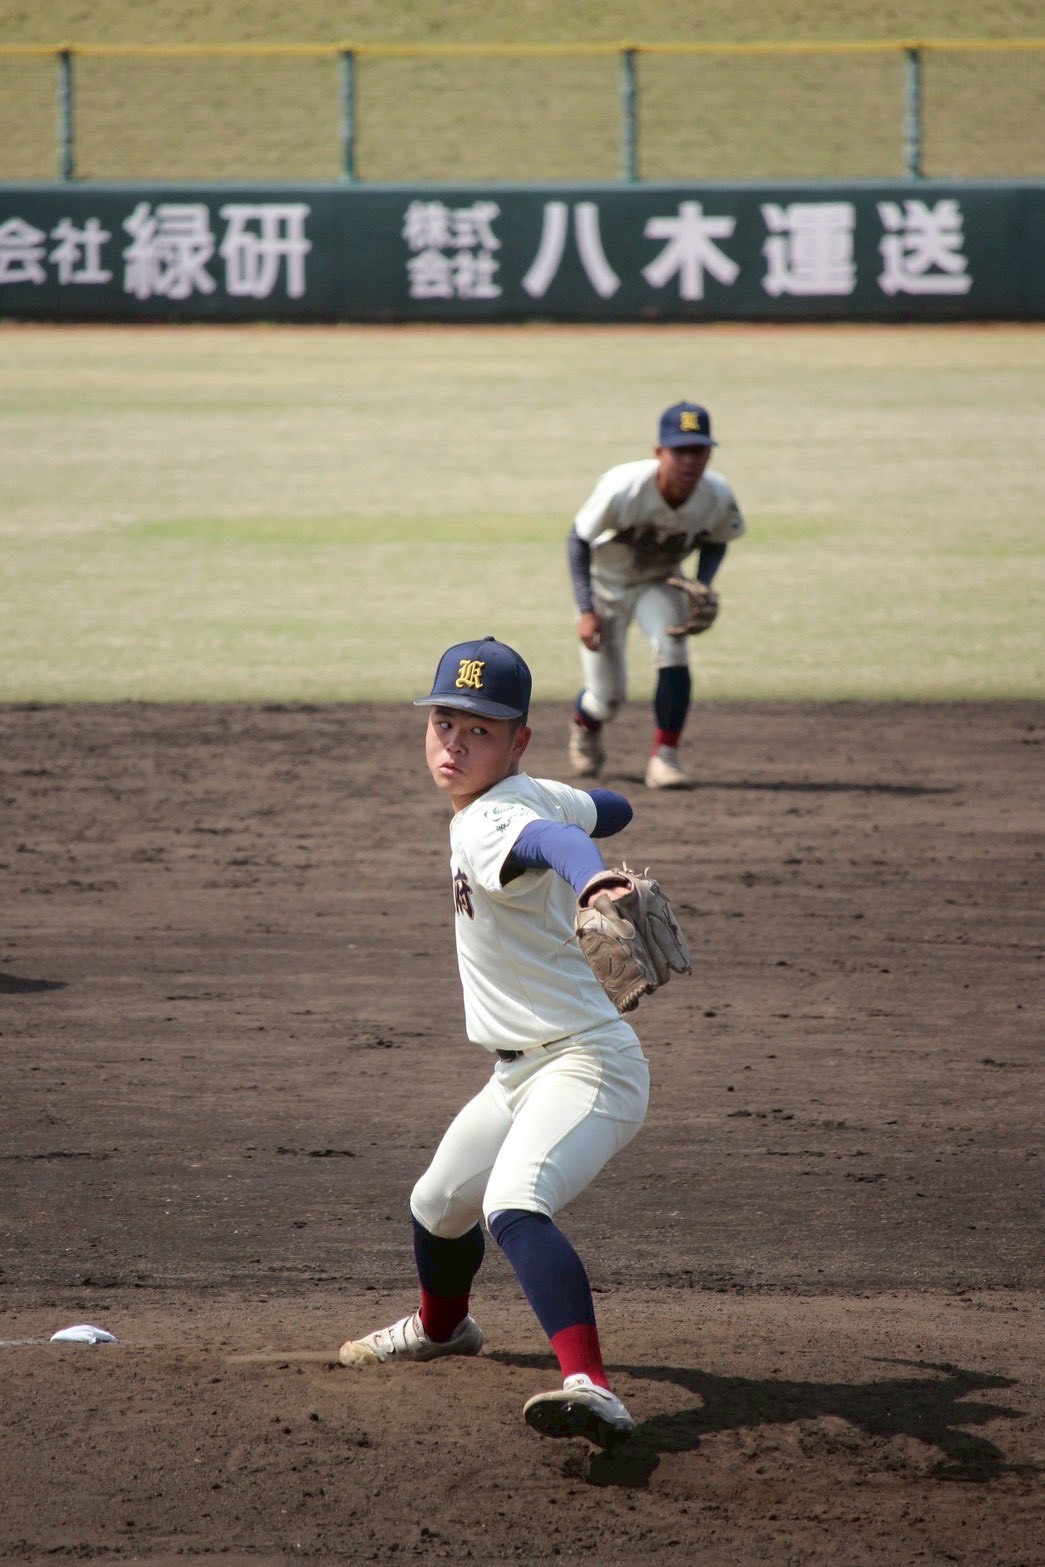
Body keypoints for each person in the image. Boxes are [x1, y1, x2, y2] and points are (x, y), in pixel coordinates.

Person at [339, 635, 653, 1449]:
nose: (453, 742)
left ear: (517, 739)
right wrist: (571, 810)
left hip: (587, 1063)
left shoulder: (491, 821)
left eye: (479, 729)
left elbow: (550, 843)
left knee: (514, 1204)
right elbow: (611, 807)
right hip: (518, 1072)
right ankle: (443, 1327)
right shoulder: (525, 793)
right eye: (443, 720)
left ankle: (589, 1383)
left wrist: (585, 874)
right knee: (438, 1205)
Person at [567, 400, 746, 789]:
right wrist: (585, 609)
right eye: (680, 450)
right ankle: (585, 724)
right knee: (607, 700)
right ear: (659, 452)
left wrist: (703, 582)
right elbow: (578, 539)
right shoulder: (624, 487)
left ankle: (665, 758)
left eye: (698, 450)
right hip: (605, 587)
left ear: (709, 453)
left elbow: (718, 538)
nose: (689, 460)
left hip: (658, 582)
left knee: (673, 649)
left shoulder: (716, 493)